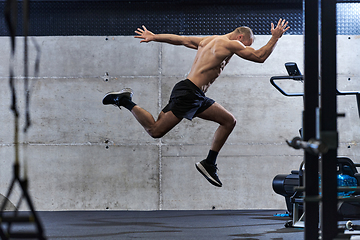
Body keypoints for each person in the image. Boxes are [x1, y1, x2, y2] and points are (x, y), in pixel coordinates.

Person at [103, 19, 290, 187]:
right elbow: (259, 57)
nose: (242, 48)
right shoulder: (231, 43)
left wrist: (155, 37)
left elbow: (181, 39)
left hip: (191, 92)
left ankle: (209, 162)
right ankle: (125, 101)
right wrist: (275, 38)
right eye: (245, 44)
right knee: (155, 130)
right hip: (189, 94)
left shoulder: (208, 40)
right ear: (240, 36)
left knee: (228, 121)